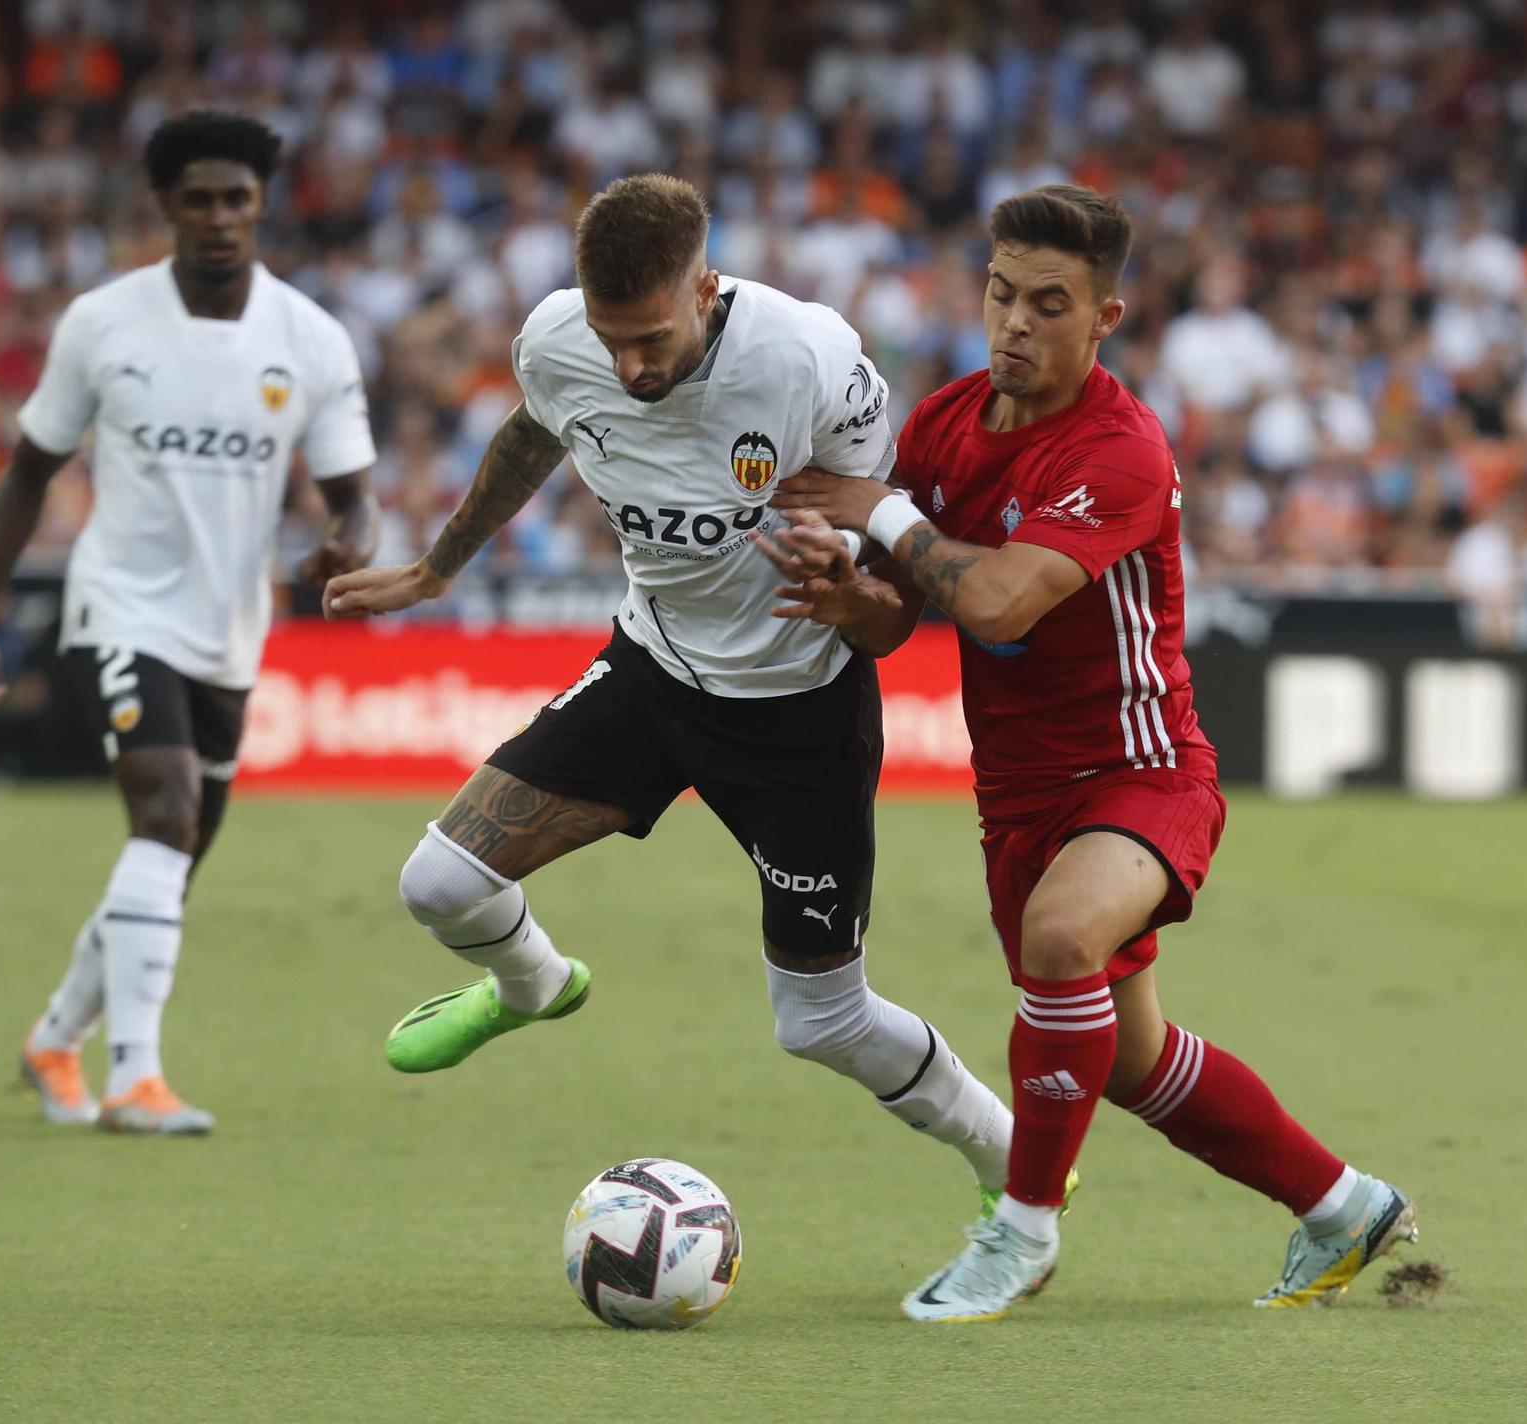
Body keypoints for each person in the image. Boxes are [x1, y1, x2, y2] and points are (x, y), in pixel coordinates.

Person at [767, 185, 1417, 1321]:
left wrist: (878, 511)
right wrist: (843, 599)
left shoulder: (1118, 448)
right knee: (1125, 1057)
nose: (1014, 321)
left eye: (1048, 303)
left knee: (1061, 939)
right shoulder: (943, 425)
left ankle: (1016, 1233)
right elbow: (899, 614)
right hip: (1015, 798)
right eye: (1000, 293)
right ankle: (1342, 1203)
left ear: (1103, 316)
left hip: (1143, 771)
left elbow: (1006, 601)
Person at [321, 173, 1019, 1215]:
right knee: (437, 884)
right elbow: (535, 429)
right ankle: (533, 984)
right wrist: (436, 568)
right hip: (651, 675)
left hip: (799, 712)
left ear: (706, 287)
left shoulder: (809, 362)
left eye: (649, 338)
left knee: (820, 1021)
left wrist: (849, 607)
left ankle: (1012, 1163)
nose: (628, 365)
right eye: (611, 339)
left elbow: (894, 611)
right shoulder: (559, 342)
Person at [0, 112, 377, 1135]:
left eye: (237, 197)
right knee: (164, 812)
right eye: (200, 198)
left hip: (231, 625)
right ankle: (134, 1075)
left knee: (173, 851)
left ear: (262, 203)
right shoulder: (102, 323)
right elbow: (26, 475)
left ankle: (55, 1036)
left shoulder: (309, 339)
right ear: (166, 207)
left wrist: (345, 542)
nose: (221, 217)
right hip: (122, 604)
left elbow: (353, 494)